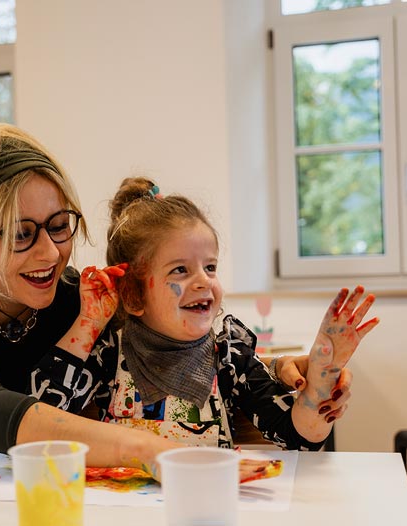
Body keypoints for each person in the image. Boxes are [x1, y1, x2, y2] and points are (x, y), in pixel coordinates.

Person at [0, 120, 351, 477]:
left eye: (59, 225)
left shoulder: (75, 296)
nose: (50, 253)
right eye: (21, 234)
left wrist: (280, 369)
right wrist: (155, 452)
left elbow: (163, 342)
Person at [84, 177, 378, 449]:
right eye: (180, 270)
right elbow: (55, 412)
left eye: (210, 267)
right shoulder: (108, 351)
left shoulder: (230, 357)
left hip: (209, 489)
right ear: (133, 294)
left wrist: (320, 385)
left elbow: (296, 437)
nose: (204, 281)